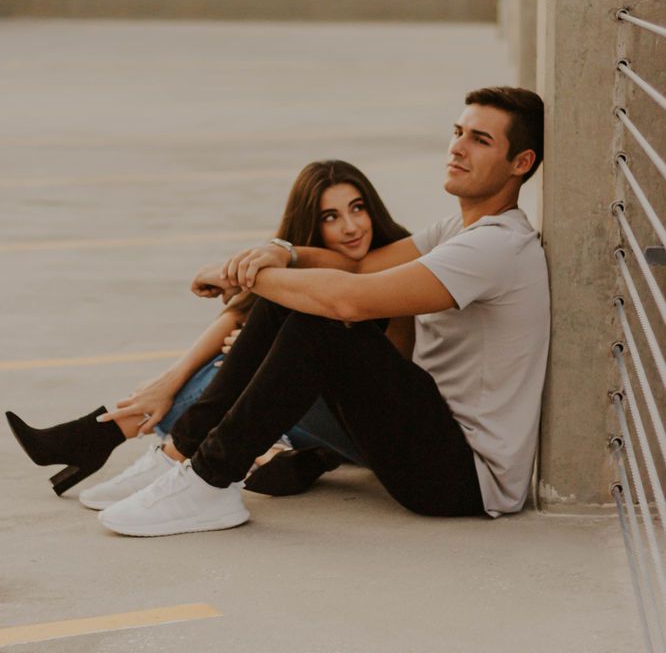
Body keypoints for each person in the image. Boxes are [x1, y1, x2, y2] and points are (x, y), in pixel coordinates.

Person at [95, 86, 550, 538]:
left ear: (521, 163)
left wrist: (240, 275)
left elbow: (351, 298)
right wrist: (282, 253)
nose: (458, 147)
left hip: (464, 477)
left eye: (480, 140)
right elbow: (359, 263)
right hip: (423, 439)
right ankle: (180, 456)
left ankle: (210, 481)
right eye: (458, 132)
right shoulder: (460, 228)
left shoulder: (497, 246)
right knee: (292, 300)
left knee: (324, 323)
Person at [5, 160, 411, 506]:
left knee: (227, 377)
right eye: (330, 216)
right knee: (220, 366)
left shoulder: (395, 260)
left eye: (358, 208)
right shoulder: (307, 265)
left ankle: (115, 441)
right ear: (312, 225)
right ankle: (265, 457)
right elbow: (237, 317)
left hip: (374, 427)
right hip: (317, 413)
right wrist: (169, 380)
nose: (352, 227)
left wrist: (275, 353)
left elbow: (388, 368)